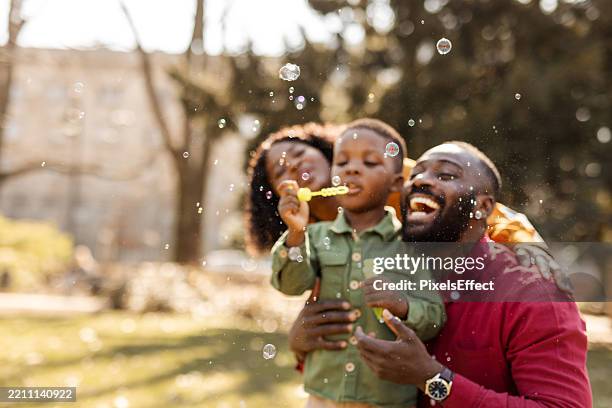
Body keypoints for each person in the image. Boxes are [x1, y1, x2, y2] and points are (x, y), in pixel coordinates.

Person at [244, 122, 567, 373]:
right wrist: (298, 343)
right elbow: (333, 308)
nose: (294, 167)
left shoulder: (387, 178)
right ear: (274, 193)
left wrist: (526, 241)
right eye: (280, 171)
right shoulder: (311, 234)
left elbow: (470, 200)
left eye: (299, 155)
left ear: (325, 150)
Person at [353, 141, 592, 407]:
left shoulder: (534, 293)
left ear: (484, 206)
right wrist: (303, 344)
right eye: (416, 174)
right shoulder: (393, 274)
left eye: (446, 175)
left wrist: (433, 379)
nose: (420, 180)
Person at [270, 119, 445, 407]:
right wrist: (296, 232)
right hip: (322, 397)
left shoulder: (411, 246)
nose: (352, 169)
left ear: (396, 182)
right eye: (342, 162)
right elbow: (291, 284)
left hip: (386, 399)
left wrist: (403, 305)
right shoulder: (314, 236)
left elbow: (434, 316)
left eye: (370, 162)